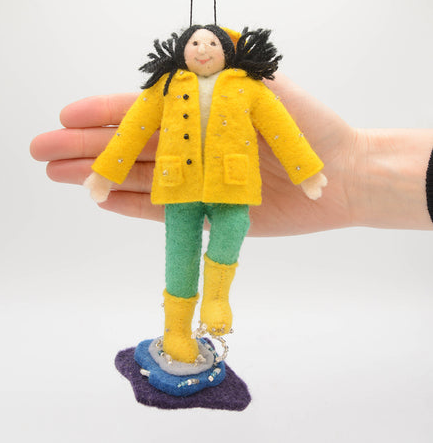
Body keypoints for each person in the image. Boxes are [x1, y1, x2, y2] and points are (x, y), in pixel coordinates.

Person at [30, 27, 433, 361]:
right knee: (180, 255)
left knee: (235, 225)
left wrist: (308, 172)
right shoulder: (165, 87)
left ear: (227, 50)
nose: (203, 49)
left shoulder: (249, 87)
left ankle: (217, 300)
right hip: (178, 186)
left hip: (233, 183)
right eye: (195, 43)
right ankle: (176, 333)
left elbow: (282, 130)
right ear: (180, 50)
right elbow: (133, 130)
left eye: (212, 43)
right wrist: (106, 174)